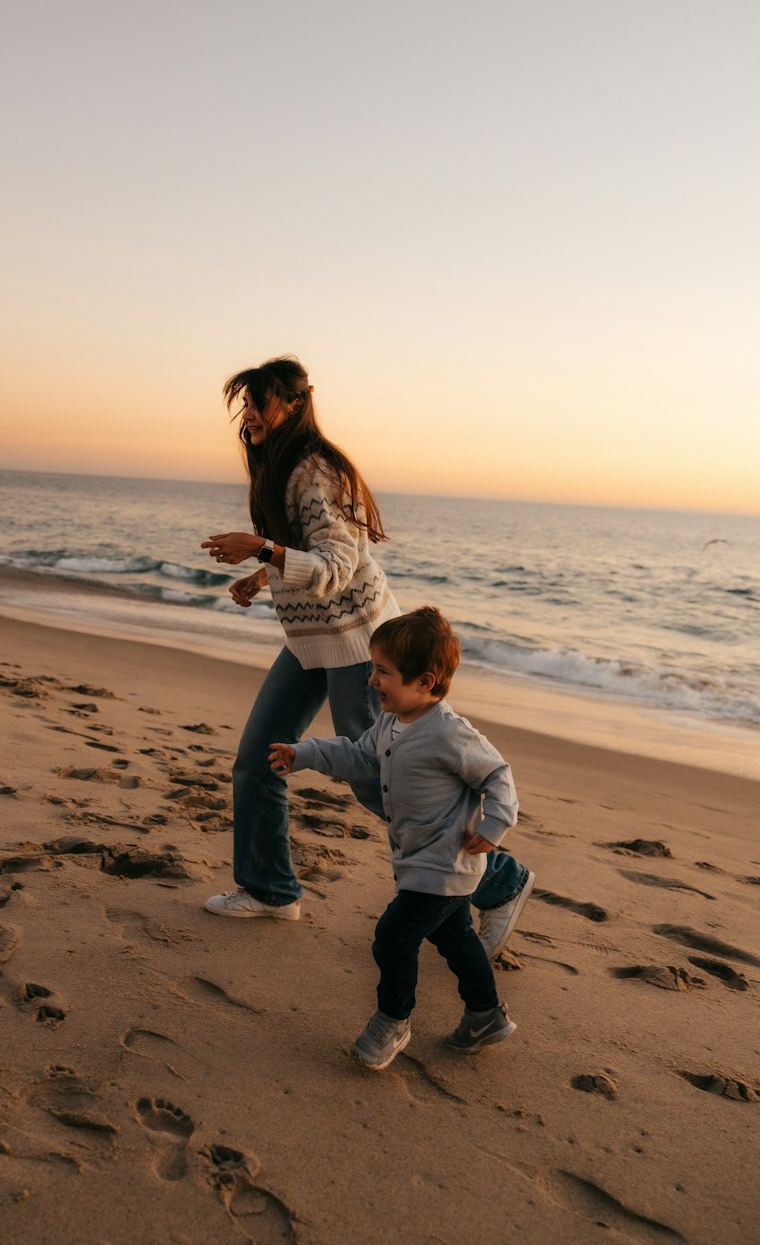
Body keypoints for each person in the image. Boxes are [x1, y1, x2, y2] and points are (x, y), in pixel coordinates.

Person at [200, 355, 534, 957]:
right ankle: (272, 890)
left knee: (380, 780)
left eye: (261, 403)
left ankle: (501, 880)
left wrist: (265, 549)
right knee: (260, 759)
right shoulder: (279, 465)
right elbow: (304, 555)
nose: (249, 414)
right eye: (245, 403)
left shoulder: (316, 470)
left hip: (359, 645)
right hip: (312, 643)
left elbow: (335, 566)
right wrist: (262, 574)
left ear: (297, 404)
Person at [270, 606, 519, 1071]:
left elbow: (498, 776)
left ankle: (393, 1019)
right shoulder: (390, 722)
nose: (371, 680)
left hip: (445, 863)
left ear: (425, 682)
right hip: (417, 859)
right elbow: (358, 755)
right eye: (373, 668)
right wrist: (304, 753)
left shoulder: (452, 735)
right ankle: (485, 1014)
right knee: (456, 937)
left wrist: (493, 828)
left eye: (383, 672)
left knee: (392, 937)